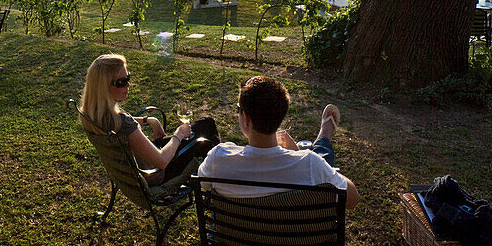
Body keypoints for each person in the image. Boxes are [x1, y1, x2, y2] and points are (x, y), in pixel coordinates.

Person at [197, 75, 359, 208]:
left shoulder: (217, 159)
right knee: (322, 160)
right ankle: (324, 137)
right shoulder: (310, 164)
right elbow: (352, 199)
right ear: (281, 115)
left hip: (236, 244)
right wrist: (303, 156)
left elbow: (203, 185)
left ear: (246, 119)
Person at [78, 53, 219, 183]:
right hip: (158, 173)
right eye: (121, 82)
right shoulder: (124, 124)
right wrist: (179, 134)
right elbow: (162, 161)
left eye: (128, 78)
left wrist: (149, 120)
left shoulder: (92, 114)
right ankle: (219, 180)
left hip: (141, 167)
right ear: (103, 87)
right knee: (206, 128)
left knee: (203, 126)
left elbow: (120, 122)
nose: (128, 85)